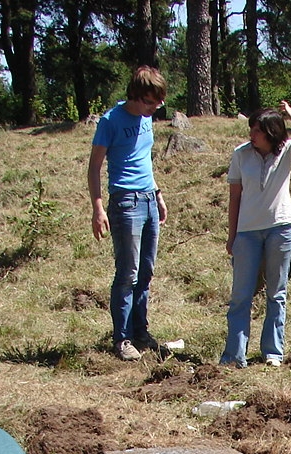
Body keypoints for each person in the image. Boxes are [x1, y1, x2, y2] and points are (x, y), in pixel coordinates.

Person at [220, 101, 291, 368]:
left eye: (258, 130)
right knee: (241, 295)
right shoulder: (240, 154)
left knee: (276, 293)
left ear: (272, 133)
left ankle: (273, 353)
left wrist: (290, 114)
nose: (252, 135)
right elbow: (234, 197)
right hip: (247, 233)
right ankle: (234, 356)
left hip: (280, 230)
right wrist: (232, 235)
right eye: (251, 129)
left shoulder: (286, 153)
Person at [88, 66, 169, 362]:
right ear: (136, 95)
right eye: (150, 101)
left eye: (158, 102)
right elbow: (94, 166)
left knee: (146, 272)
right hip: (125, 202)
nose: (154, 108)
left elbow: (144, 160)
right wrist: (98, 208)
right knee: (128, 274)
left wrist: (158, 194)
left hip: (148, 199)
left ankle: (140, 331)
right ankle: (122, 339)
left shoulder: (147, 119)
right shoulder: (110, 121)